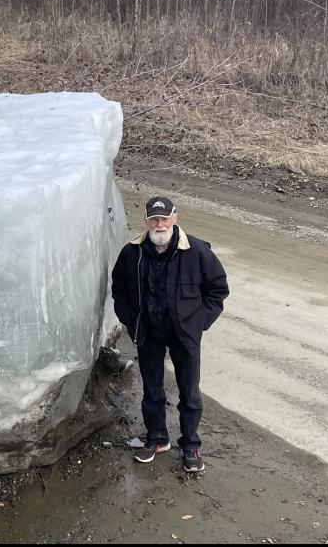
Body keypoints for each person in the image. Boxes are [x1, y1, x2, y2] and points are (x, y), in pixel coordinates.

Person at [111, 196, 229, 473]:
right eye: (154, 218)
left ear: (175, 218)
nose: (159, 223)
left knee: (189, 392)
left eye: (164, 218)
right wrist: (130, 320)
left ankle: (190, 445)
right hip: (149, 332)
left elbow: (217, 290)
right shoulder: (133, 253)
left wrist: (198, 322)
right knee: (151, 390)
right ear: (146, 221)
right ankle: (157, 438)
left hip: (184, 334)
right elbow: (119, 289)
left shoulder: (197, 251)